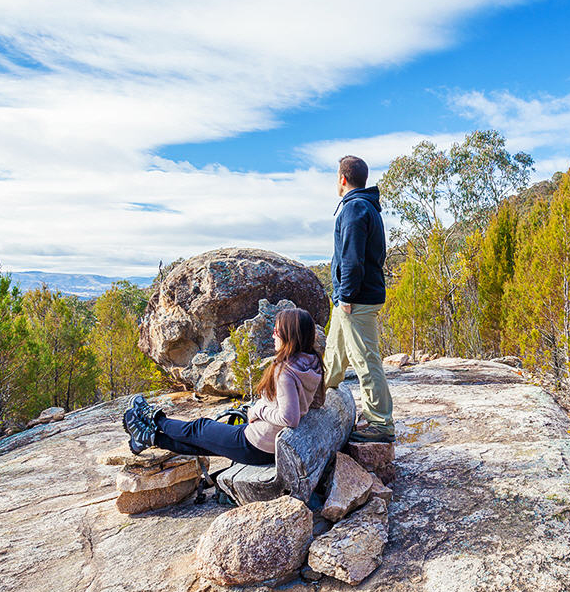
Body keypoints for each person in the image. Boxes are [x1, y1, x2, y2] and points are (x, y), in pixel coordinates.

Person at [122, 308, 326, 463]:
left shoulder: (285, 371)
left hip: (256, 445)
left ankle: (153, 418)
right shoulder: (312, 362)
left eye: (277, 331)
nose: (273, 335)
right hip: (269, 445)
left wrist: (259, 410)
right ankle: (148, 437)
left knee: (200, 428)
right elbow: (316, 402)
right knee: (204, 443)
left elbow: (289, 418)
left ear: (289, 335)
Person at [324, 155, 395, 443]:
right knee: (334, 354)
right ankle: (320, 401)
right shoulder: (365, 207)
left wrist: (347, 295)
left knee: (365, 361)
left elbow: (352, 260)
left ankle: (381, 425)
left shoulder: (354, 209)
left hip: (356, 300)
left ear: (342, 179)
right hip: (352, 298)